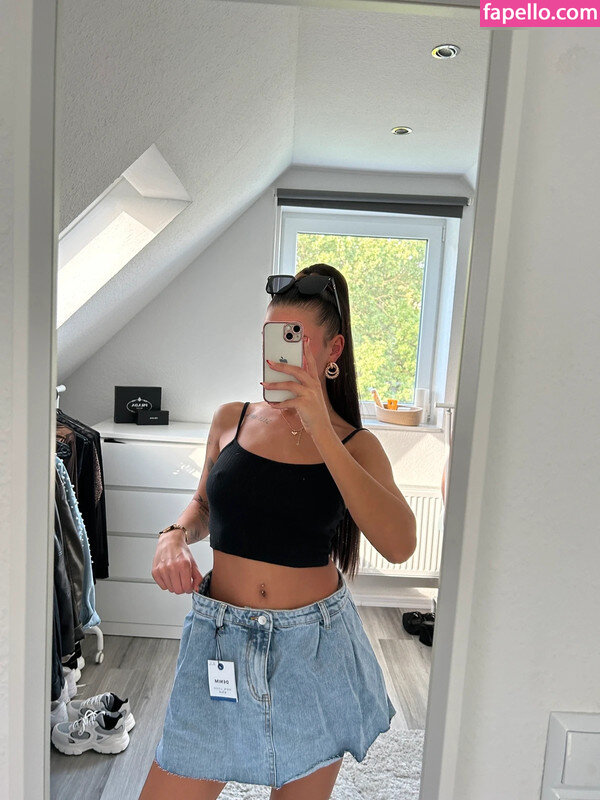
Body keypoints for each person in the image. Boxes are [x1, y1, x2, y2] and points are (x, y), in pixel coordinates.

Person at [139, 264, 417, 800]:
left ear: (333, 351)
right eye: (273, 337)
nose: (279, 354)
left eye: (295, 340)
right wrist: (171, 535)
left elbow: (400, 545)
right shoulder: (231, 418)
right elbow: (202, 505)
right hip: (220, 640)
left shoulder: (356, 445)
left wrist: (320, 427)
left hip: (313, 651)